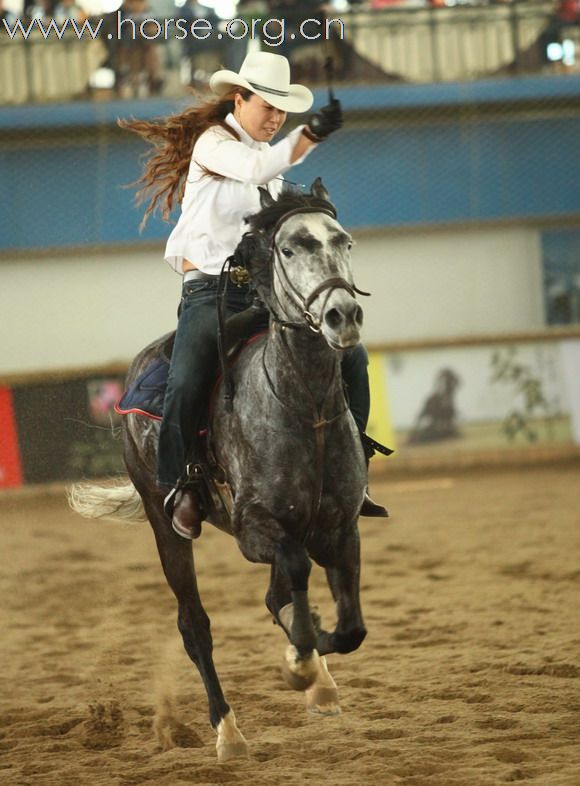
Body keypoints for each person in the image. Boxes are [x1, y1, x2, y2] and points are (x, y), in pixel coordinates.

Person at [120, 51, 387, 539]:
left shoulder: (271, 171)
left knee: (353, 358)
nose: (277, 117)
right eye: (268, 106)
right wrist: (310, 135)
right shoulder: (215, 145)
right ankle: (180, 483)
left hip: (266, 300)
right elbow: (258, 167)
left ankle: (354, 474)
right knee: (188, 374)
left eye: (284, 110)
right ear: (239, 100)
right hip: (210, 296)